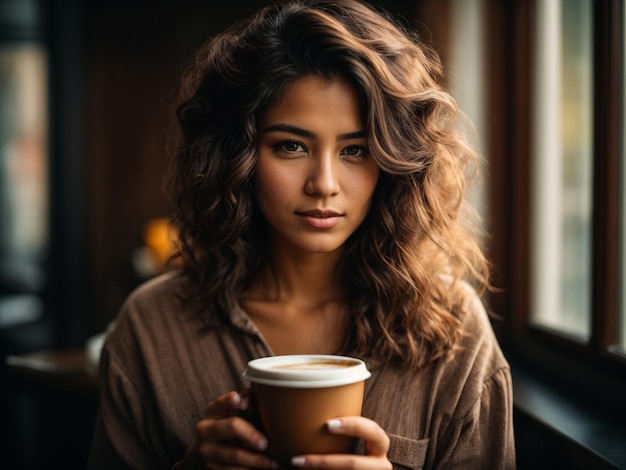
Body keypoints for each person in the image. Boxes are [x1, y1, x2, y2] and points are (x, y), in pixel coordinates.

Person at [88, 0, 515, 468]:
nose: (324, 184)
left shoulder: (454, 331)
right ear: (238, 156)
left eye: (355, 150)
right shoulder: (150, 330)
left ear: (392, 165)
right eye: (291, 146)